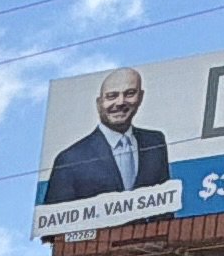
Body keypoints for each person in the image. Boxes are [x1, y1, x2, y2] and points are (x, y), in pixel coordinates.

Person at [45, 68, 171, 204]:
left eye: (129, 93)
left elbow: (164, 206)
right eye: (112, 96)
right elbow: (55, 218)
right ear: (99, 104)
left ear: (140, 97)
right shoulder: (69, 159)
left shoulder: (155, 142)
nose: (121, 102)